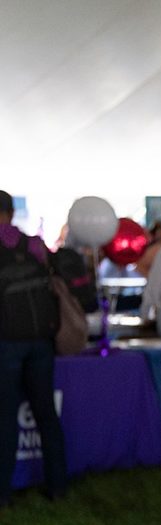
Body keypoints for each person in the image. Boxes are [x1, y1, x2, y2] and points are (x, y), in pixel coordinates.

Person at [0, 189, 67, 507]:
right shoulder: (35, 245)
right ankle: (57, 486)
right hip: (41, 340)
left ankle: (3, 493)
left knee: (5, 418)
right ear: (12, 213)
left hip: (6, 343)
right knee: (46, 415)